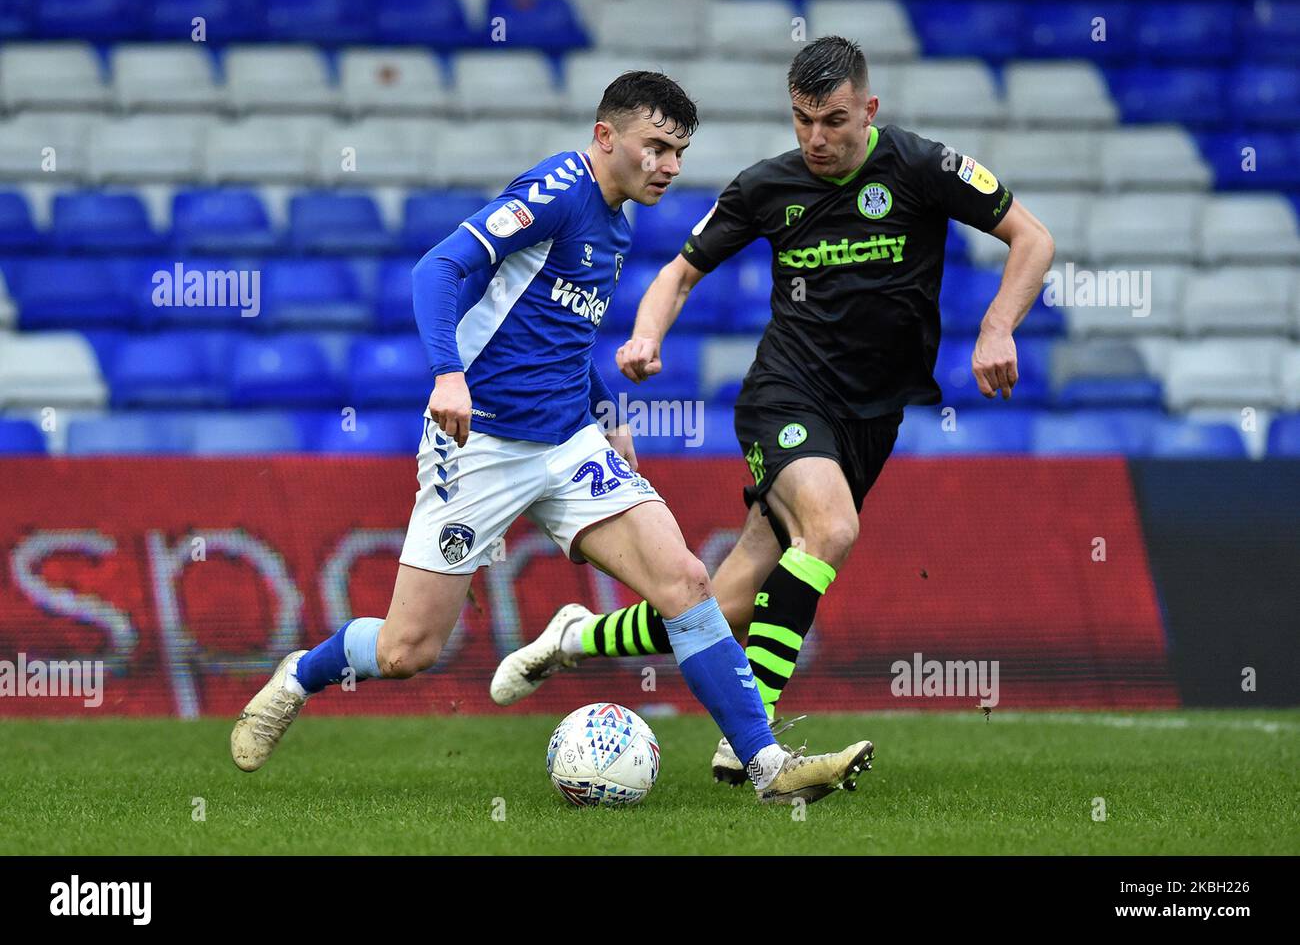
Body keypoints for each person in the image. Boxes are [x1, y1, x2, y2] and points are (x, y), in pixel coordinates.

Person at [230, 71, 873, 805]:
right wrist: (447, 374)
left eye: (679, 153)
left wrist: (607, 414)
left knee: (687, 583)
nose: (667, 166)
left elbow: (560, 336)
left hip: (570, 446)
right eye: (655, 147)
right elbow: (438, 268)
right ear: (606, 138)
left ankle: (766, 767)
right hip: (481, 447)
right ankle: (298, 676)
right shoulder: (556, 193)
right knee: (407, 650)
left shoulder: (619, 222)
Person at [490, 39, 1055, 784]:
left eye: (834, 121)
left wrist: (997, 326)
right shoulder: (767, 187)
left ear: (869, 111)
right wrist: (647, 334)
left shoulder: (922, 168)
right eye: (801, 121)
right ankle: (750, 741)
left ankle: (575, 637)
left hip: (872, 418)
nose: (816, 139)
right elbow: (680, 272)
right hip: (784, 397)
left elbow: (1032, 239)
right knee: (832, 529)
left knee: (722, 608)